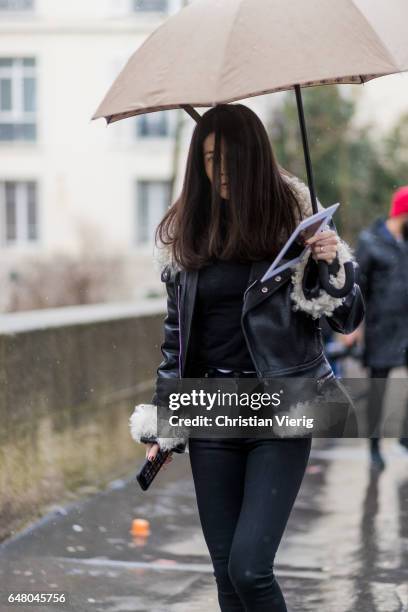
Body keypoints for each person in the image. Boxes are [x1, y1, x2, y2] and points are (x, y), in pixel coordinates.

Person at [129, 104, 365, 612]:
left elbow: (345, 319)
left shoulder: (297, 223)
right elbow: (177, 338)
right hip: (212, 409)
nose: (222, 171)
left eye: (233, 158)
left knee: (250, 570)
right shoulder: (188, 232)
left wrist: (330, 264)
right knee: (226, 578)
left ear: (256, 157)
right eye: (211, 158)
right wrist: (165, 417)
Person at [351, 187, 408, 470]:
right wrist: (352, 327)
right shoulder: (371, 241)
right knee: (378, 388)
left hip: (407, 328)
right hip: (381, 328)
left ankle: (405, 437)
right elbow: (357, 287)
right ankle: (374, 446)